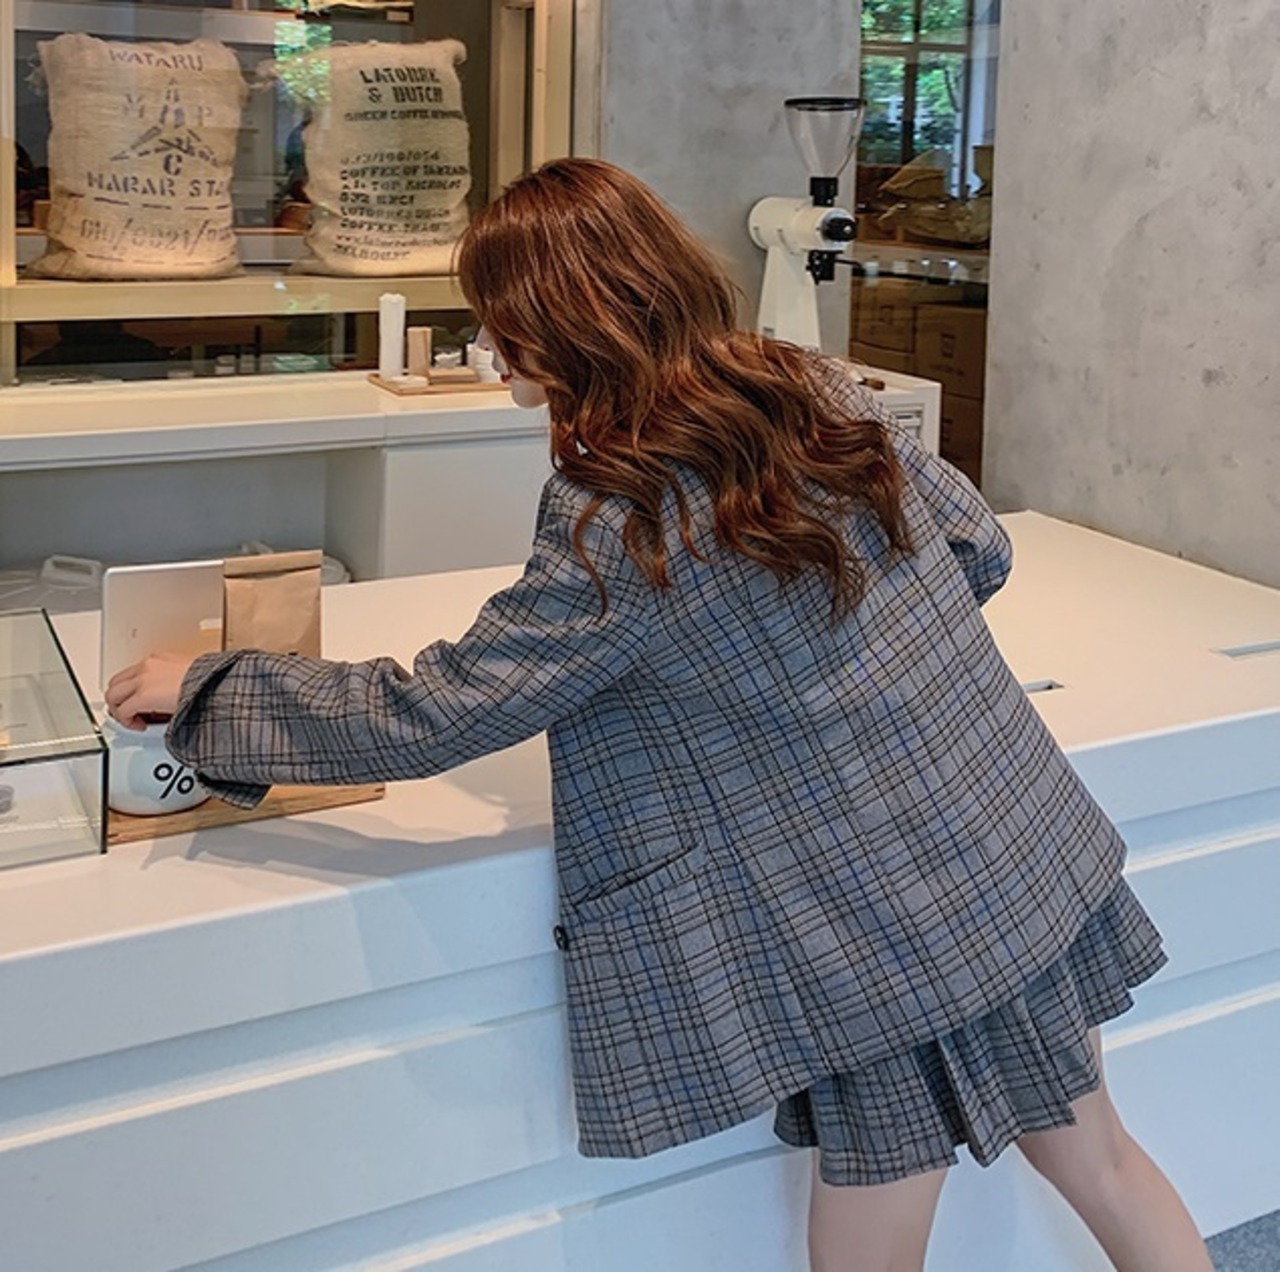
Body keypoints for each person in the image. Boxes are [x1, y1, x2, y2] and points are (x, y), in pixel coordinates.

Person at [106, 158, 1213, 1272]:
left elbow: (437, 711)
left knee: (873, 1239)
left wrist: (210, 691)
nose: (486, 349)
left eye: (497, 323)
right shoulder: (807, 385)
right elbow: (978, 547)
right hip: (1002, 851)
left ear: (565, 325)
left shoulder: (619, 514)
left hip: (876, 927)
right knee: (1104, 1163)